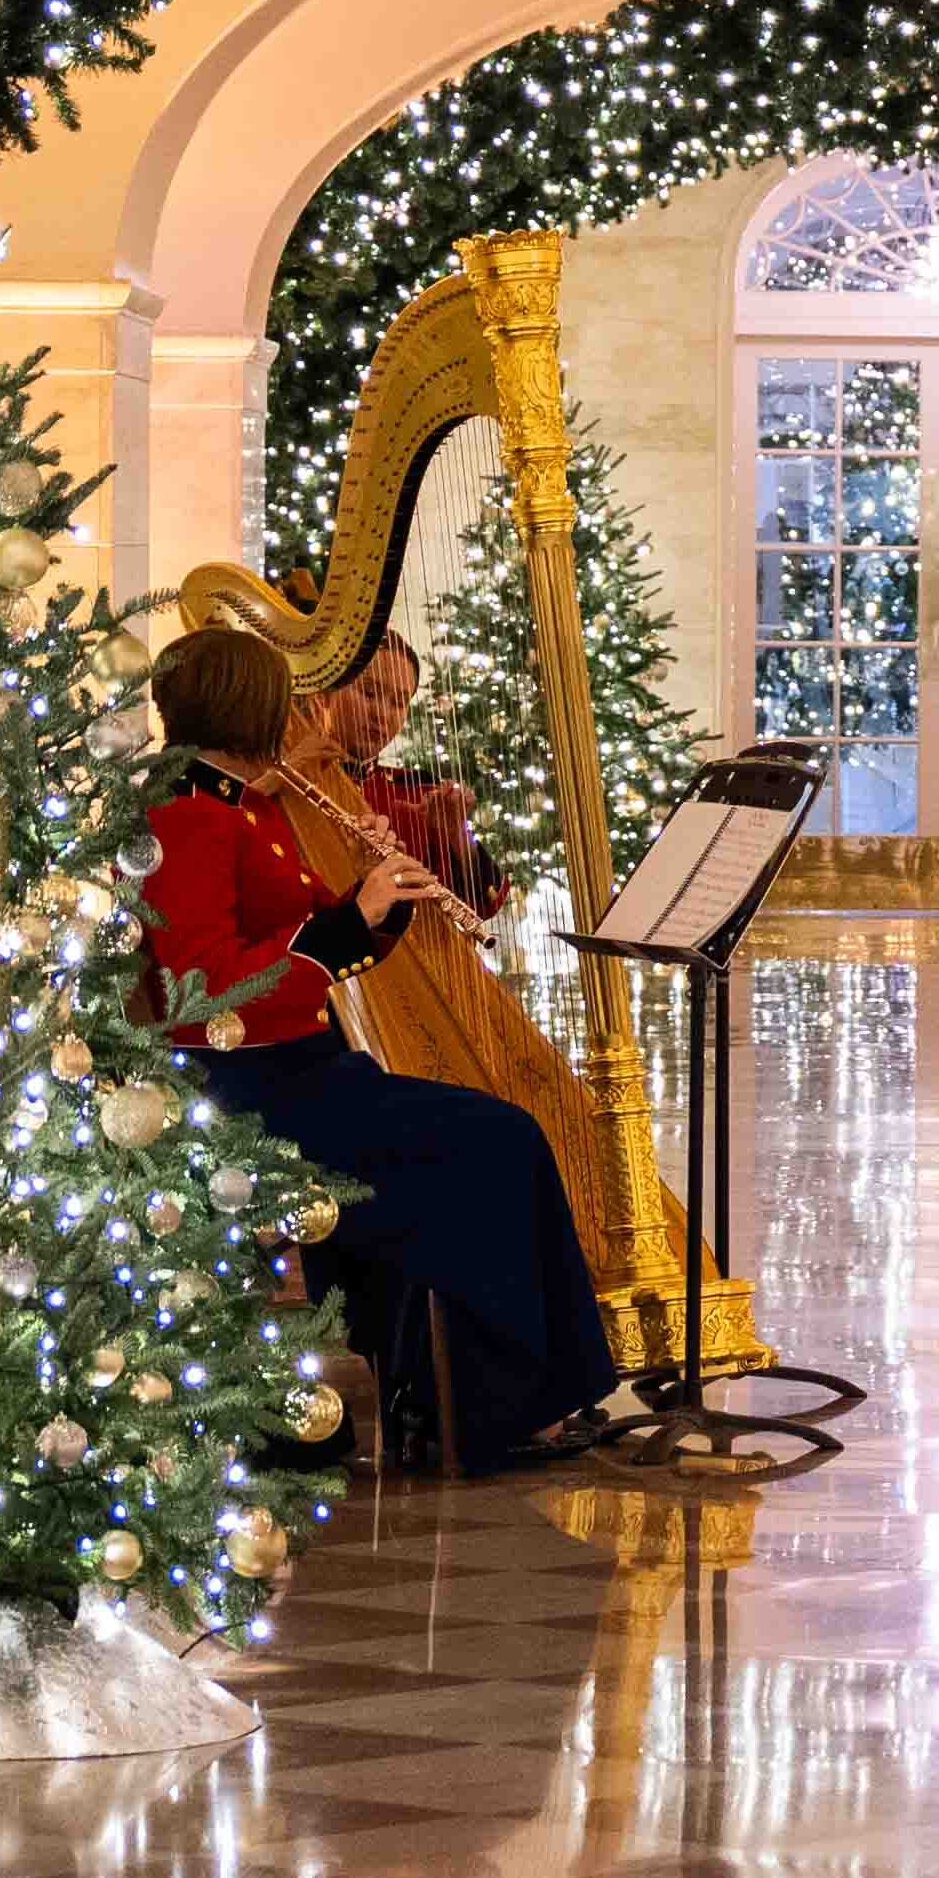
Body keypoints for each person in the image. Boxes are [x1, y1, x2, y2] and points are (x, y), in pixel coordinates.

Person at [141, 621, 621, 1470]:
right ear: (252, 706)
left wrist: (386, 899)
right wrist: (342, 926)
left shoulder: (237, 807)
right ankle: (482, 1409)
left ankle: (460, 1396)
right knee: (496, 1142)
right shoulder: (188, 815)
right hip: (250, 1088)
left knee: (492, 1136)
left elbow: (313, 927)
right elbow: (199, 992)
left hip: (302, 1070)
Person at [329, 630, 504, 919]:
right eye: (369, 693)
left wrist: (457, 834)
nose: (382, 715)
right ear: (331, 688)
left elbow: (484, 907)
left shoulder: (416, 792)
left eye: (398, 702)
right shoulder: (288, 774)